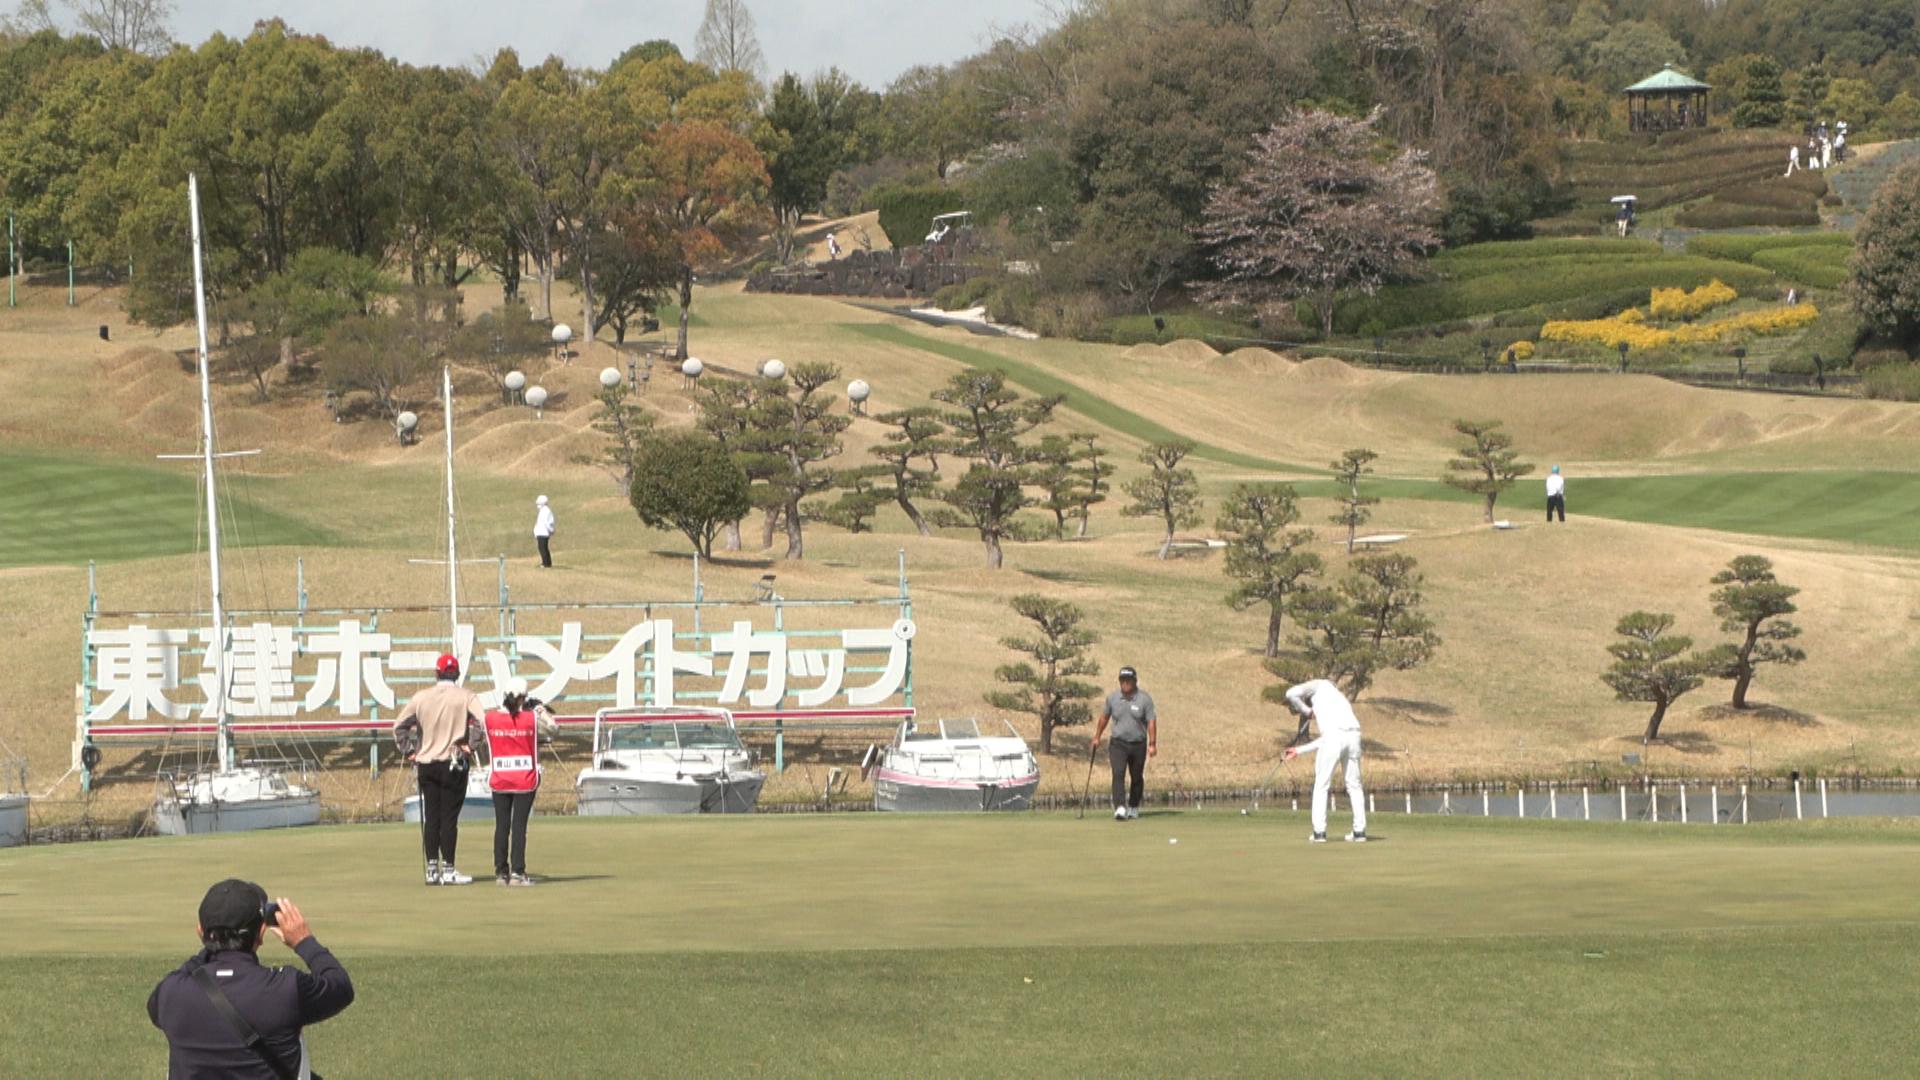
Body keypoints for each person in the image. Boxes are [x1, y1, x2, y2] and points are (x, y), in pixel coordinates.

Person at [148, 880, 353, 1079]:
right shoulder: (285, 989)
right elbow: (340, 987)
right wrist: (304, 941)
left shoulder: (171, 992)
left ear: (201, 930)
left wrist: (212, 944)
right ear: (261, 932)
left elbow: (158, 1006)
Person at [394, 654, 485, 886]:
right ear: (457, 673)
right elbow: (482, 722)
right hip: (453, 762)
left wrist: (411, 752)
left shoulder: (421, 697)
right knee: (449, 819)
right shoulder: (466, 696)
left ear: (437, 673)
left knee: (432, 817)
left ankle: (432, 869)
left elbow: (399, 726)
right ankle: (449, 869)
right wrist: (470, 746)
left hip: (426, 763)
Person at [484, 678, 557, 886]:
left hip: (500, 778)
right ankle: (517, 872)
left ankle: (500, 872)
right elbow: (553, 728)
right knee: (518, 826)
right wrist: (540, 709)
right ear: (523, 698)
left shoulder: (490, 719)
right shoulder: (531, 719)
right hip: (525, 779)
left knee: (502, 825)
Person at [1281, 679, 1366, 843]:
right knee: (1354, 786)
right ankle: (1359, 832)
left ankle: (1319, 833)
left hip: (1336, 738)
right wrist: (1298, 750)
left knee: (1321, 785)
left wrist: (1307, 712)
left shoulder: (1319, 686)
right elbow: (1329, 739)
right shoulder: (1340, 701)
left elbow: (1290, 693)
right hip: (1354, 736)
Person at [1089, 666, 1157, 820]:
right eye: (1122, 681)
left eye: (1128, 681)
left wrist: (1152, 744)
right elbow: (1104, 718)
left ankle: (1133, 806)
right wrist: (1097, 737)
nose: (1125, 684)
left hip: (1138, 743)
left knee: (1137, 776)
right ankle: (1120, 807)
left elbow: (1151, 722)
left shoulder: (1144, 699)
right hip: (1118, 743)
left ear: (1134, 681)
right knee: (1118, 773)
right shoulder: (1113, 698)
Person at [533, 495, 556, 569]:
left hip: (544, 533)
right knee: (543, 548)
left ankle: (546, 563)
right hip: (541, 532)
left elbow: (547, 523)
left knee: (543, 548)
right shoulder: (543, 510)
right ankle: (547, 562)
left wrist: (550, 531)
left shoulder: (546, 511)